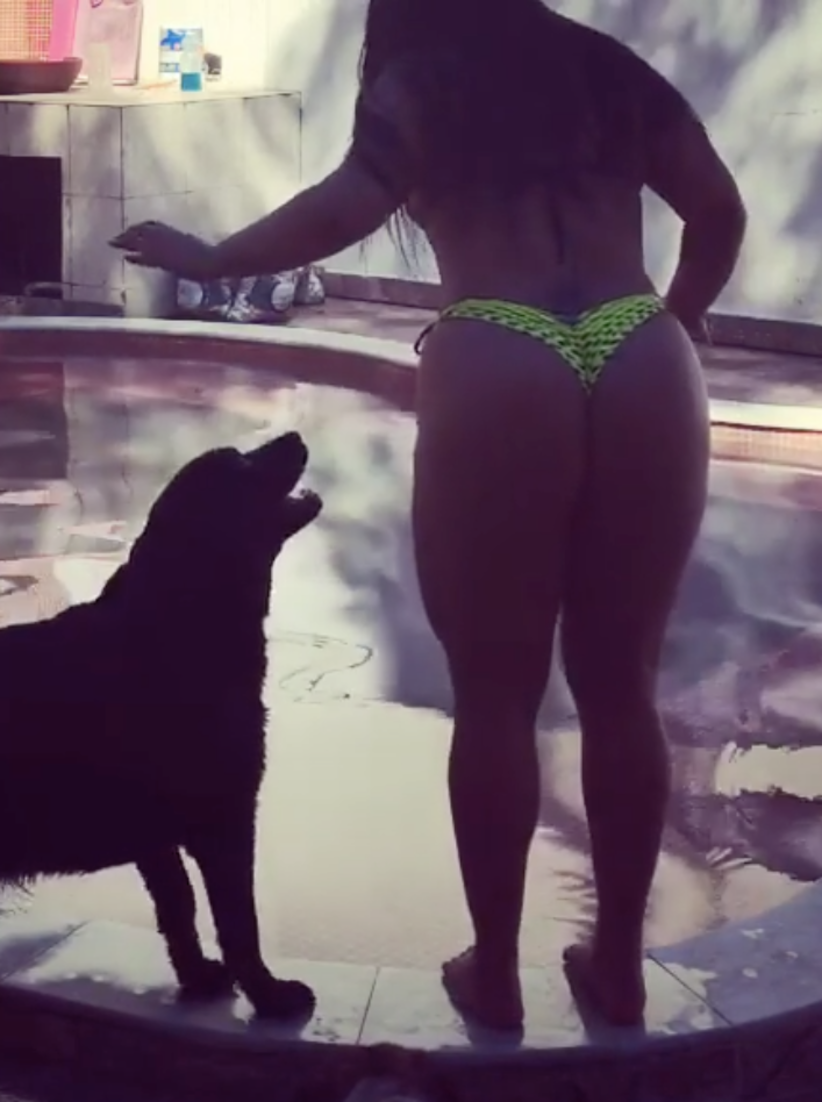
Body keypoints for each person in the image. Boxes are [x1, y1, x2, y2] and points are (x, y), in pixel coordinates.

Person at [111, 0, 747, 1032]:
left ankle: (495, 974)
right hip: (640, 345)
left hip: (499, 344)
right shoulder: (604, 66)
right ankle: (619, 971)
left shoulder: (421, 87)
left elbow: (341, 207)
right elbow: (718, 210)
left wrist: (214, 257)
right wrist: (681, 315)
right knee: (622, 686)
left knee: (495, 698)